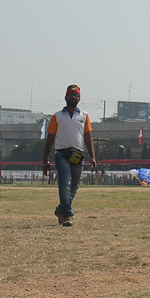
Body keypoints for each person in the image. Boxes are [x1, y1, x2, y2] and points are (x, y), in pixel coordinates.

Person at [42, 84, 98, 226]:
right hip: (61, 154)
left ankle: (61, 209)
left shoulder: (84, 116)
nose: (74, 97)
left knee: (74, 187)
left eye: (76, 95)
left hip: (77, 154)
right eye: (71, 95)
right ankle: (68, 215)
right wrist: (45, 160)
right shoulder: (57, 116)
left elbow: (87, 137)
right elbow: (50, 138)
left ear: (79, 98)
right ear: (65, 97)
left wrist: (92, 157)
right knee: (64, 183)